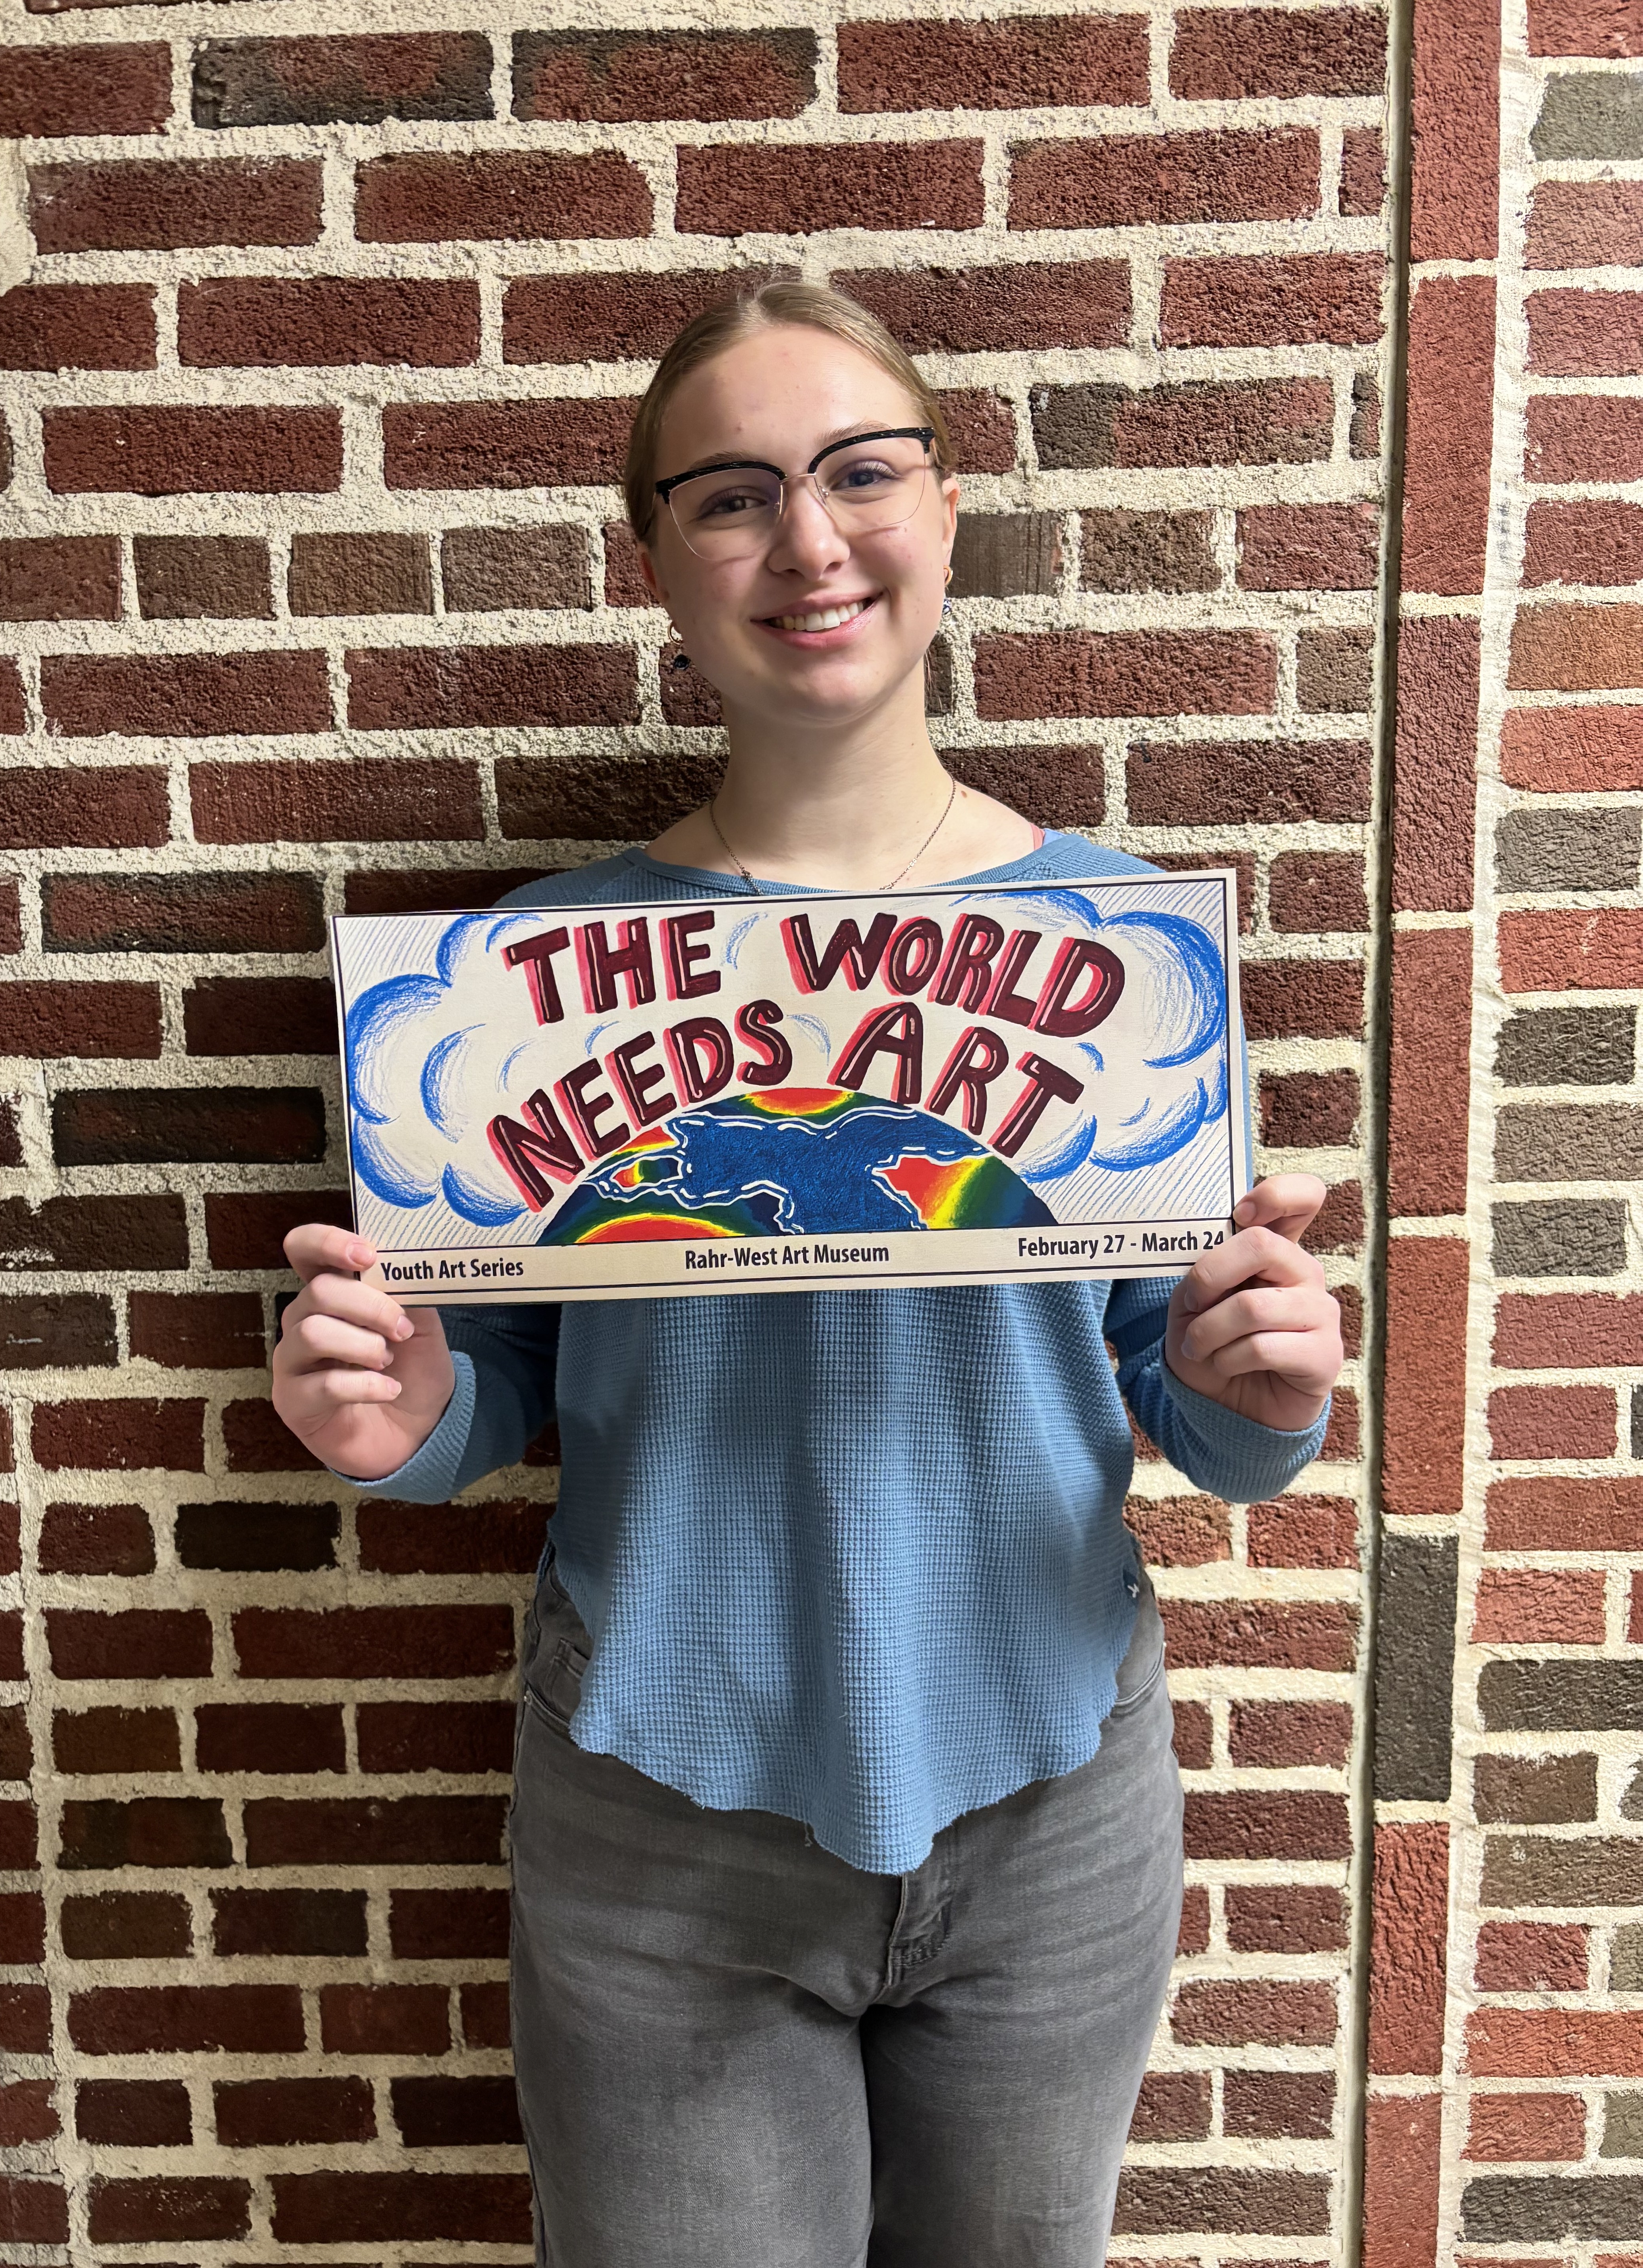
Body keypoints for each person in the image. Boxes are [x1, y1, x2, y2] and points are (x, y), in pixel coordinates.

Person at [272, 281, 1344, 2268]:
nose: (813, 541)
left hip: (1045, 1795)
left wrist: (1260, 1397)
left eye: (864, 472)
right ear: (655, 557)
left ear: (948, 508)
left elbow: (1181, 1398)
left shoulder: (1127, 955)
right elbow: (485, 1396)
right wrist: (408, 1420)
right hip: (661, 1811)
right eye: (735, 496)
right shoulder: (517, 986)